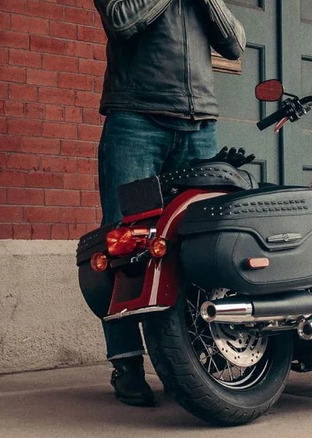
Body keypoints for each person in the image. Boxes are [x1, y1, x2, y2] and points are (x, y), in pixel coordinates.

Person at [92, 0, 245, 406]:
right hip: (138, 124)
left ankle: (201, 358)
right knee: (127, 242)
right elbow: (122, 20)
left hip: (198, 130)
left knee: (202, 240)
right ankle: (126, 365)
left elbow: (235, 44)